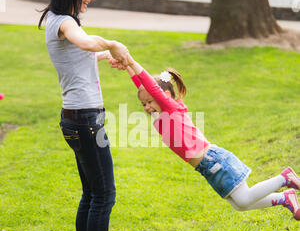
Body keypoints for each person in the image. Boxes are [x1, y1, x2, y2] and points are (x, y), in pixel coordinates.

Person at [39, 0, 134, 231]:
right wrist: (111, 44)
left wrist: (102, 57)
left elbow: (79, 52)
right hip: (85, 120)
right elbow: (83, 41)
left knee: (92, 194)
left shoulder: (56, 20)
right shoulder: (64, 22)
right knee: (104, 195)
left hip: (77, 118)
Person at [111, 54, 300, 220]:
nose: (146, 107)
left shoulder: (172, 108)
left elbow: (150, 87)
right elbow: (143, 87)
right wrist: (126, 66)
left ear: (164, 96)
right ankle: (285, 198)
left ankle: (284, 178)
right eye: (143, 104)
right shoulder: (159, 117)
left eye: (149, 102)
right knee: (240, 205)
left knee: (244, 199)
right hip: (206, 168)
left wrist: (131, 61)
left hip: (214, 160)